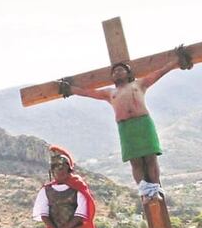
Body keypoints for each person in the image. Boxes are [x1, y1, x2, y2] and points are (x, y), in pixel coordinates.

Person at [62, 48, 190, 201]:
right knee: (135, 161)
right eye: (115, 71)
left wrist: (176, 60)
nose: (117, 72)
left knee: (150, 158)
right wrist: (69, 89)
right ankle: (144, 190)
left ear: (129, 74)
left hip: (143, 124)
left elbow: (159, 73)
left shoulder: (139, 84)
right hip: (126, 128)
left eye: (121, 70)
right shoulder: (110, 93)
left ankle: (155, 189)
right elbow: (88, 93)